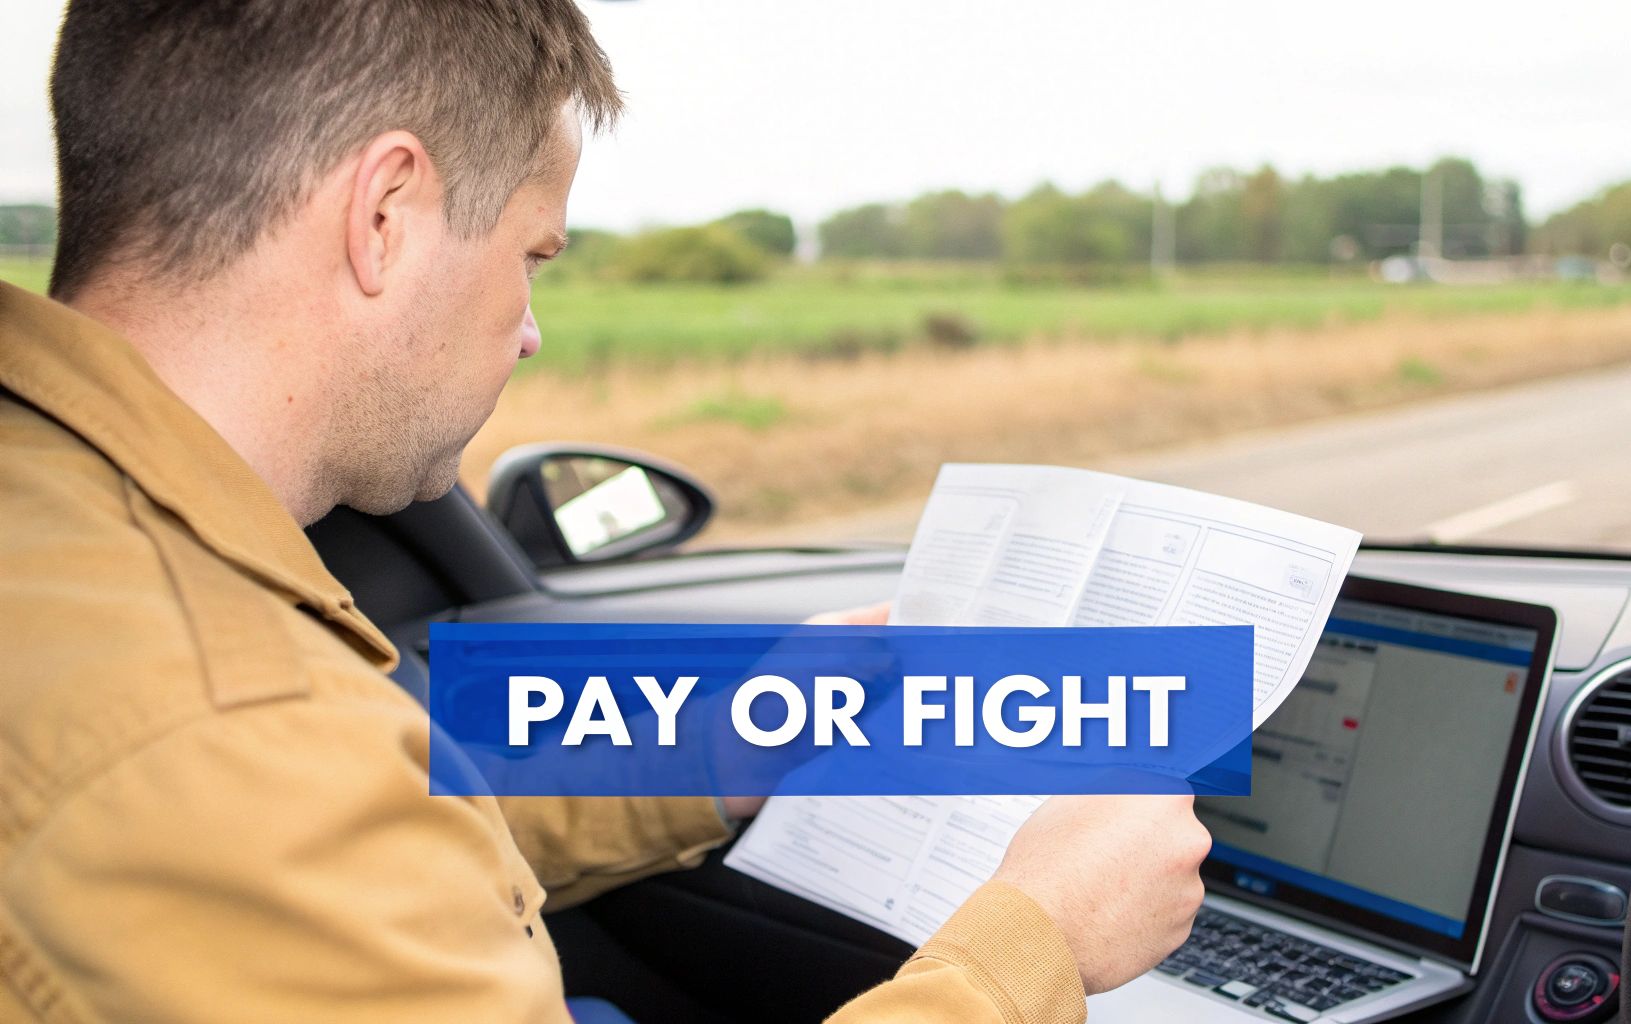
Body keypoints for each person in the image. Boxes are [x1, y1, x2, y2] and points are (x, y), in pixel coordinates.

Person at [0, 2, 1211, 1022]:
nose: (529, 328)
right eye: (533, 255)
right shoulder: (219, 725)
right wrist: (1036, 939)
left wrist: (718, 753)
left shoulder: (59, 516)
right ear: (385, 216)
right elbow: (288, 807)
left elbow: (363, 856)